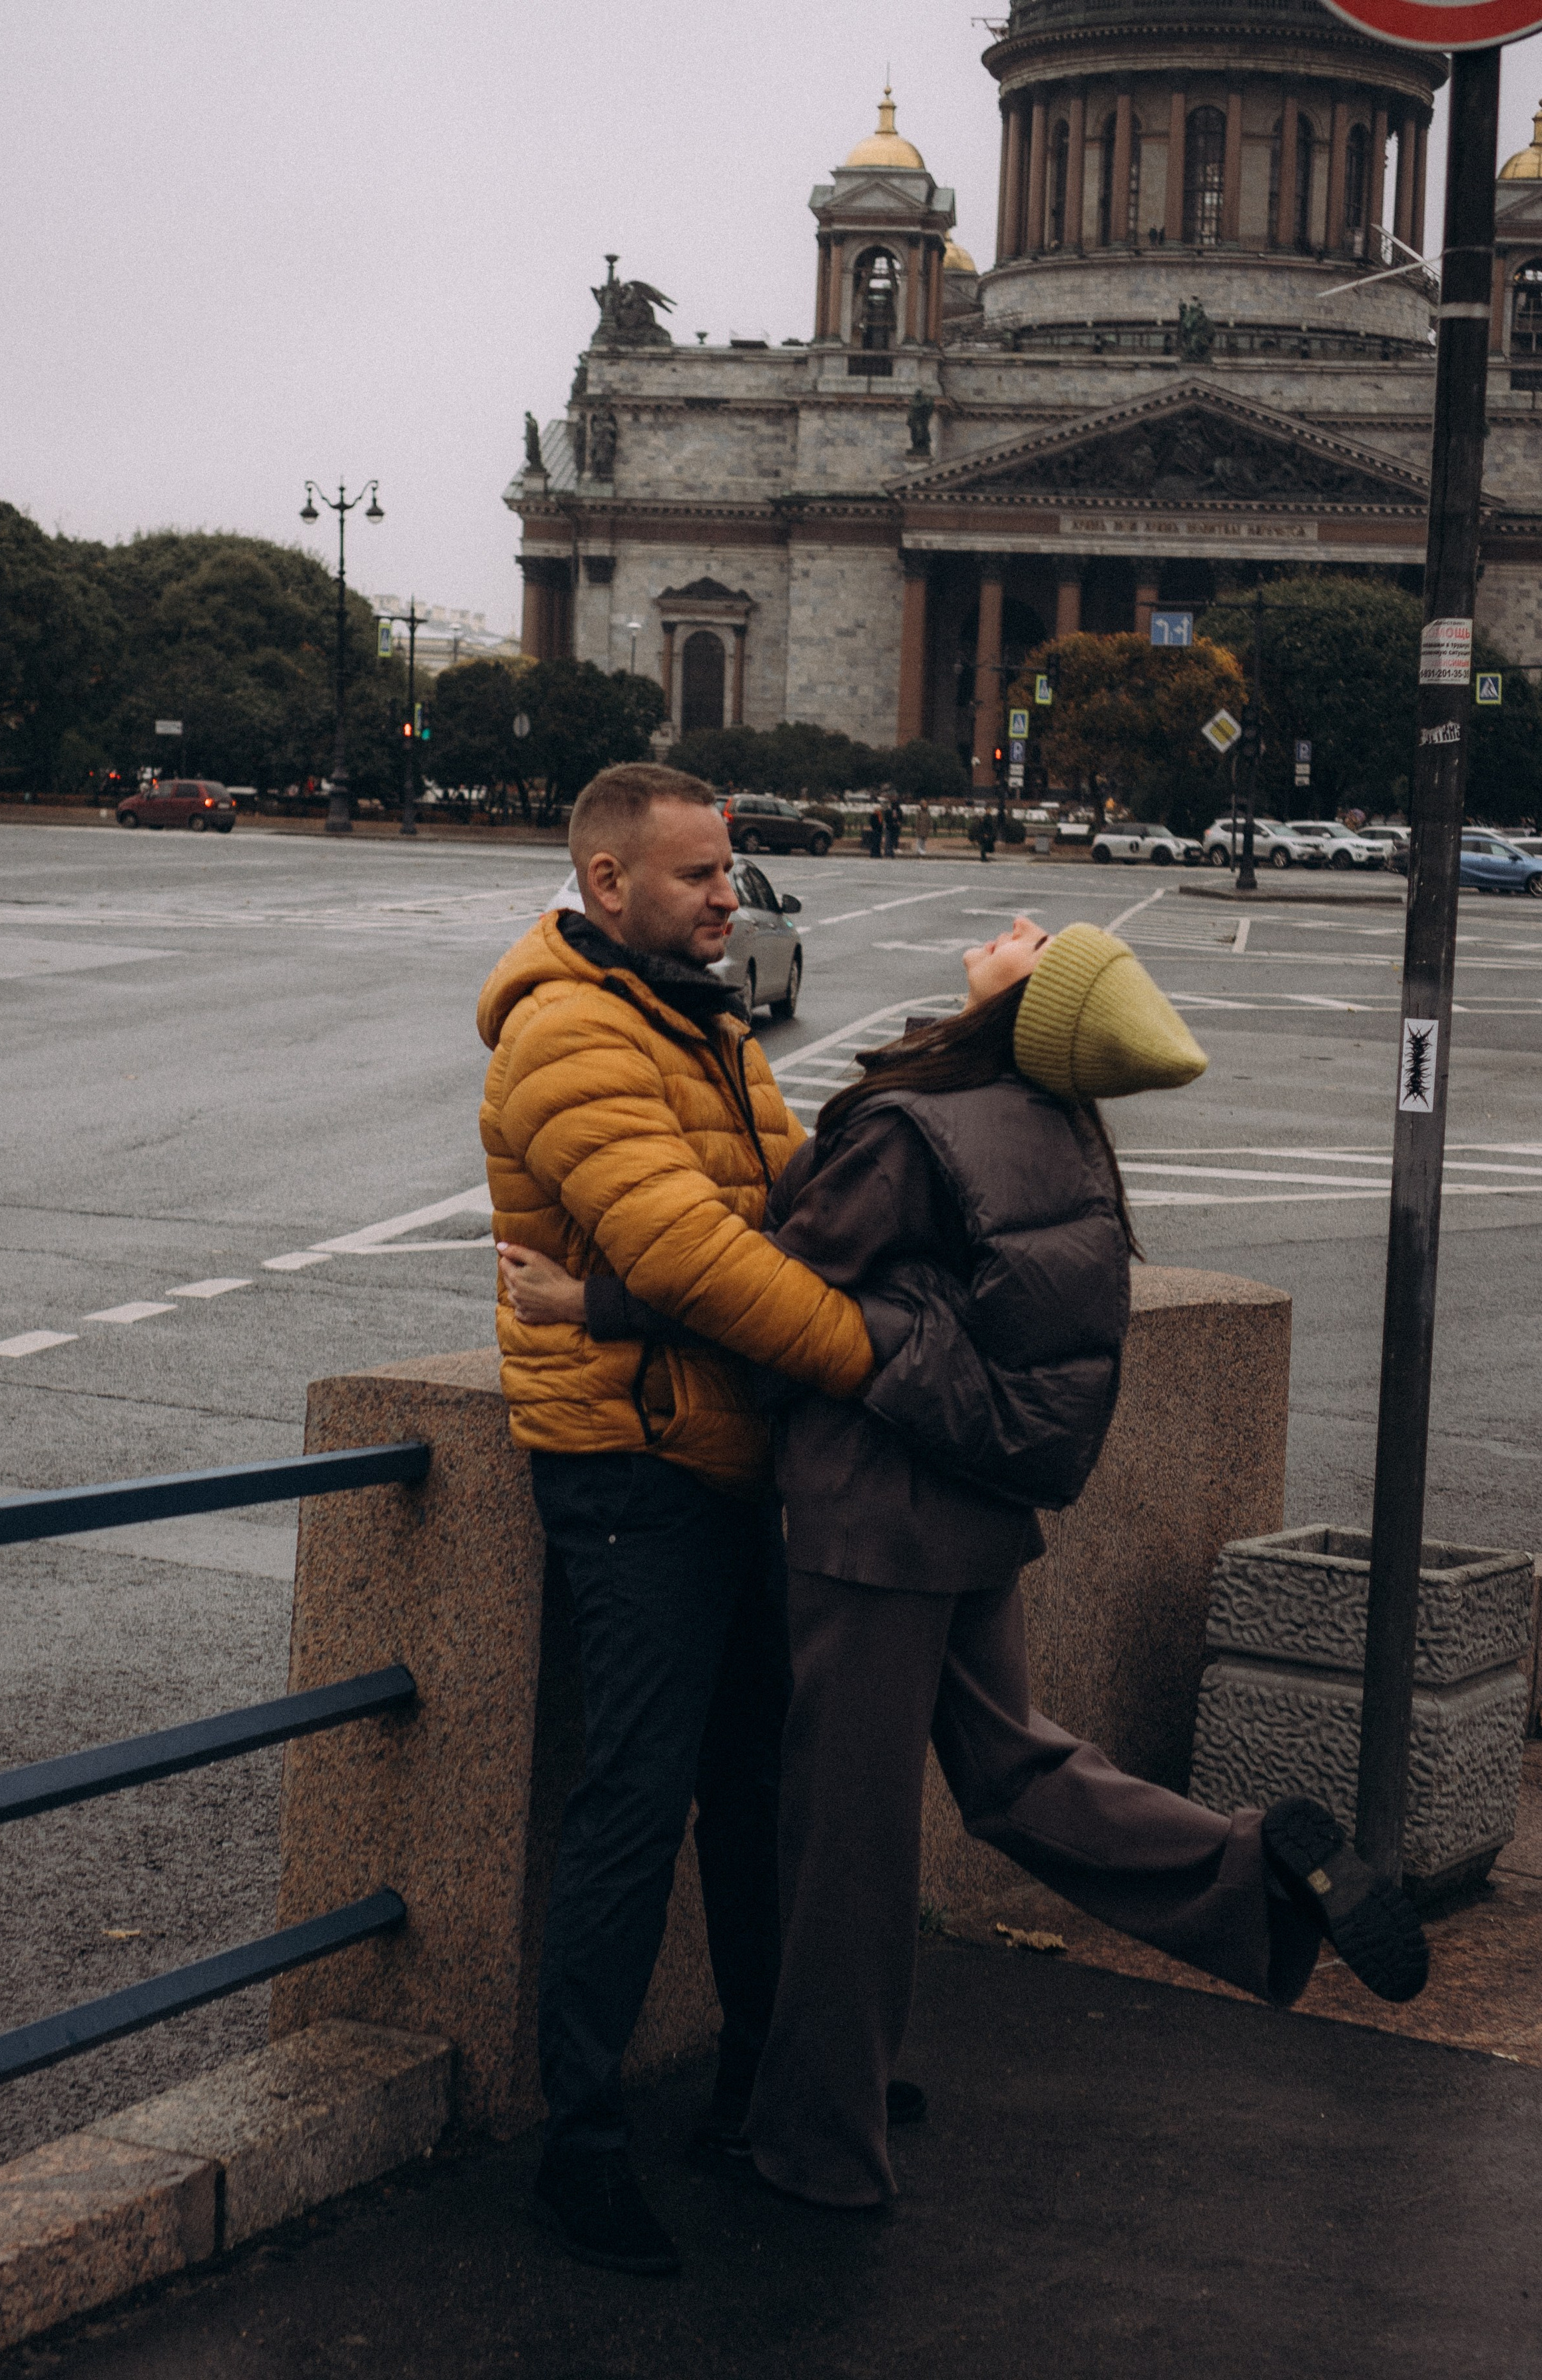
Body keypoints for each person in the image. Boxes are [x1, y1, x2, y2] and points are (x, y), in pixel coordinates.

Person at [505, 916, 1429, 2216]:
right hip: (975, 1514)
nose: (1006, 930)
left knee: (845, 1841)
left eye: (1031, 939)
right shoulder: (1055, 1131)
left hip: (869, 1524)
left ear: (1030, 1006)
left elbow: (761, 1285)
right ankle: (1251, 1879)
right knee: (1014, 1772)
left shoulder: (911, 1130)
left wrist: (583, 1304)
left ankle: (818, 2146)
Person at [477, 760, 874, 2277]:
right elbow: (711, 1260)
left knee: (758, 1792)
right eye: (704, 876)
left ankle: (760, 2088)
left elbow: (786, 1214)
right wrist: (870, 1360)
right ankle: (579, 2148)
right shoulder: (572, 1033)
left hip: (721, 1451)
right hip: (632, 1472)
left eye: (732, 871)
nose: (734, 896)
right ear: (606, 886)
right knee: (634, 1809)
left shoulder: (693, 1018)